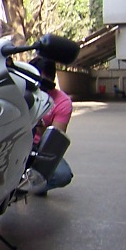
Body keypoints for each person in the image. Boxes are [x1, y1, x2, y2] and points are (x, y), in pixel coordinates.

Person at [30, 56, 74, 195]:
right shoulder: (21, 90)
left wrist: (38, 120)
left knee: (63, 175)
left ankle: (26, 189)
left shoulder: (62, 102)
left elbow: (53, 143)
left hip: (39, 148)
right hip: (16, 143)